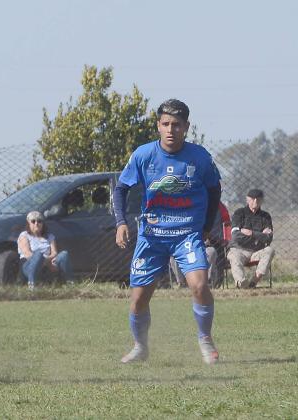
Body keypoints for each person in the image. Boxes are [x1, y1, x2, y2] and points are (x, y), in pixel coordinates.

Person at [113, 99, 222, 365]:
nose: (170, 129)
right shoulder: (143, 155)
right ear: (158, 126)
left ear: (186, 126)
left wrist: (206, 226)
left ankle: (205, 339)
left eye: (176, 124)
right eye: (165, 124)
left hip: (187, 234)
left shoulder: (200, 157)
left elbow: (214, 189)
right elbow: (121, 188)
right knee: (138, 299)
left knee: (199, 285)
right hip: (152, 237)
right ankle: (140, 346)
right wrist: (121, 222)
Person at [227, 188, 275, 288]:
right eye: (253, 199)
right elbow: (236, 236)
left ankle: (254, 282)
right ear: (247, 199)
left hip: (257, 251)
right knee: (234, 256)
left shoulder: (265, 216)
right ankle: (242, 283)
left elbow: (268, 238)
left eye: (258, 199)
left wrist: (251, 233)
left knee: (269, 250)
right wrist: (260, 235)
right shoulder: (239, 213)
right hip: (239, 249)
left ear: (262, 200)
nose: (255, 201)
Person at [17, 211, 73, 289]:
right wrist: (44, 261)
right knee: (39, 254)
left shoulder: (50, 236)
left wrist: (47, 261)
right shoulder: (24, 235)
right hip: (29, 265)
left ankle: (70, 283)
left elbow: (54, 253)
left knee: (64, 254)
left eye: (39, 221)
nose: (36, 223)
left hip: (48, 263)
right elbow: (27, 254)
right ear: (28, 223)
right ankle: (32, 284)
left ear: (43, 223)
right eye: (33, 221)